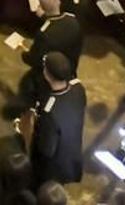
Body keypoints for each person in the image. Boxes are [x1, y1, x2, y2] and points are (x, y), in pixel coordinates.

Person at [29, 52, 84, 187]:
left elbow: (46, 150)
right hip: (73, 156)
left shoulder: (49, 112)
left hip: (54, 169)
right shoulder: (78, 88)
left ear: (47, 74)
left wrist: (34, 126)